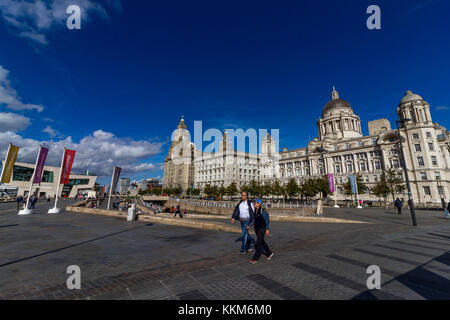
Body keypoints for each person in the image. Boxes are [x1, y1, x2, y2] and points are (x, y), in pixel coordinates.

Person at [250, 199, 273, 264]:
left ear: (259, 204)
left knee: (258, 243)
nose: (254, 203)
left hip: (262, 228)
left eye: (256, 203)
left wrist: (267, 229)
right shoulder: (255, 211)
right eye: (254, 202)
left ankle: (255, 258)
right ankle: (269, 253)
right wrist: (250, 225)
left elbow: (267, 220)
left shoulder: (263, 212)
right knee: (262, 242)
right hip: (257, 229)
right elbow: (254, 219)